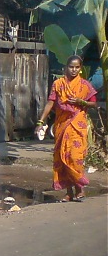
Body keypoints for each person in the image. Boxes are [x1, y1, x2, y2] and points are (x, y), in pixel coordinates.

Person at [36, 55, 98, 202]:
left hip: (78, 125)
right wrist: (40, 121)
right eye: (71, 67)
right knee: (62, 158)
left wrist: (80, 101)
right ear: (66, 67)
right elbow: (50, 103)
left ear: (80, 69)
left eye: (77, 67)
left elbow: (94, 103)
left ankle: (80, 188)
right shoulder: (58, 84)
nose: (74, 70)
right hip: (61, 125)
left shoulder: (84, 85)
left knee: (75, 157)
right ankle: (69, 192)